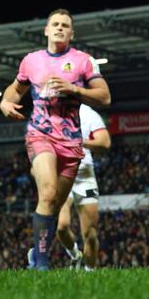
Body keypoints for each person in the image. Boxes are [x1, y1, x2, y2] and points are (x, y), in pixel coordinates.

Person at [0, 9, 111, 270]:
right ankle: (41, 263)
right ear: (46, 30)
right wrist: (5, 102)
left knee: (53, 204)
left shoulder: (84, 61)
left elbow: (104, 97)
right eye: (55, 24)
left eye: (65, 25)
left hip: (71, 143)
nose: (60, 28)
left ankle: (36, 255)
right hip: (40, 134)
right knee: (47, 192)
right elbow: (16, 89)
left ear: (71, 33)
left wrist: (74, 89)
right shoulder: (31, 61)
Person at [56, 103, 111, 271]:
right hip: (61, 175)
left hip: (84, 176)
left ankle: (90, 274)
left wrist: (80, 142)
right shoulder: (48, 113)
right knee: (61, 227)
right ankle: (75, 255)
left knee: (90, 235)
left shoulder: (88, 113)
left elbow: (105, 142)